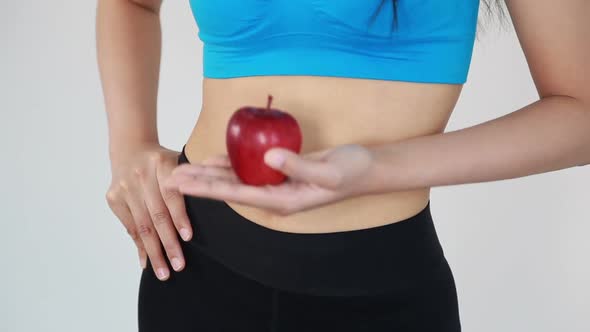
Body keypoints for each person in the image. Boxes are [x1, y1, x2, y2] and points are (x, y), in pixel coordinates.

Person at [97, 0, 590, 331]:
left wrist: (375, 170)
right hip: (195, 259)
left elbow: (580, 110)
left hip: (380, 291)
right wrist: (129, 144)